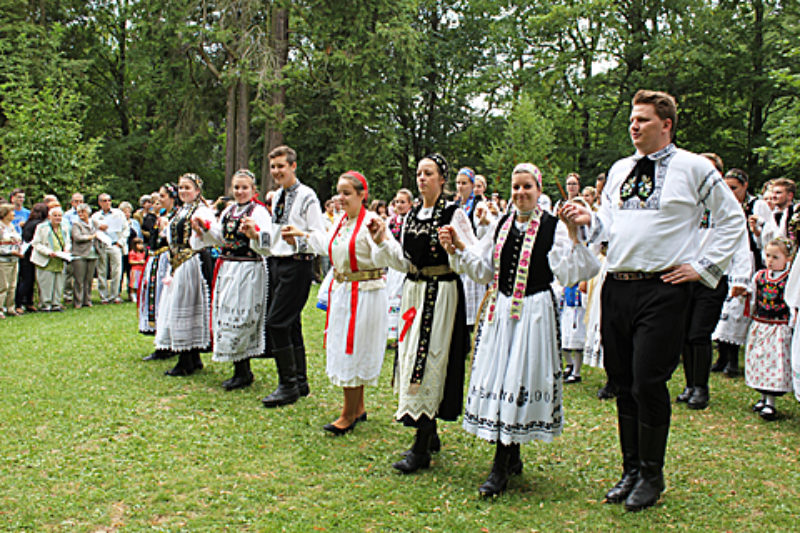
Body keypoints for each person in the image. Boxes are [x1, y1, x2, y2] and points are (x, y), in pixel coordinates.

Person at [563, 90, 744, 511]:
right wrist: (590, 219)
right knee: (623, 380)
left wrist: (703, 267)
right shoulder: (621, 169)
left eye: (643, 119)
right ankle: (630, 469)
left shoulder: (693, 167)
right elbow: (611, 221)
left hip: (663, 288)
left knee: (648, 380)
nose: (634, 125)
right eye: (632, 118)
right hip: (618, 284)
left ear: (666, 125)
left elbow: (731, 217)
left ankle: (652, 473)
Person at [441, 163, 599, 497]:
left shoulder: (553, 227)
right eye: (515, 187)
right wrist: (457, 247)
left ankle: (502, 463)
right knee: (499, 378)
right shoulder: (501, 224)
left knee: (518, 378)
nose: (520, 193)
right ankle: (509, 456)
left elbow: (571, 272)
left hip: (534, 313)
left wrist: (573, 234)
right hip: (501, 311)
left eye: (527, 186)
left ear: (539, 190)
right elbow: (484, 269)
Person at [369, 153, 471, 474]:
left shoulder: (454, 214)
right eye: (418, 173)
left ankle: (422, 443)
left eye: (428, 173)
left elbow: (469, 258)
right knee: (412, 357)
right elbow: (403, 259)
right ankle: (428, 431)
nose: (422, 179)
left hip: (440, 293)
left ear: (443, 179)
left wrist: (454, 246)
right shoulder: (412, 215)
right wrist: (383, 241)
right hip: (414, 292)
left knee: (430, 360)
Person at [284, 171, 392, 434]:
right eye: (338, 192)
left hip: (364, 293)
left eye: (346, 193)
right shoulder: (342, 221)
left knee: (352, 349)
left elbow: (387, 252)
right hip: (344, 291)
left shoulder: (371, 222)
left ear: (361, 195)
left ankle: (348, 414)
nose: (340, 198)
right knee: (346, 345)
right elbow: (327, 245)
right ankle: (359, 407)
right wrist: (302, 235)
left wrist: (381, 240)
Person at [246, 145, 326, 407]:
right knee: (290, 324)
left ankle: (287, 385)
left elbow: (320, 238)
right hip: (278, 263)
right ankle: (299, 382)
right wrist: (256, 235)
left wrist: (300, 238)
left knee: (276, 323)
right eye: (273, 167)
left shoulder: (307, 196)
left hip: (298, 264)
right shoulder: (277, 196)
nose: (277, 171)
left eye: (281, 166)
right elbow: (275, 235)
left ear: (293, 166)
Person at [194, 169, 272, 390]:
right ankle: (239, 367)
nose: (240, 191)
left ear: (253, 190)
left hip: (248, 269)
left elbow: (268, 241)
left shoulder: (259, 212)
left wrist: (254, 233)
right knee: (227, 313)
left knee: (243, 313)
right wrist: (205, 228)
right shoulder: (228, 210)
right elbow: (220, 237)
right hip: (228, 268)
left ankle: (244, 370)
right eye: (236, 187)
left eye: (244, 187)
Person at [711, 168, 774, 376]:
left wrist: (757, 230)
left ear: (745, 186)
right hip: (724, 262)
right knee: (722, 310)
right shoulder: (722, 205)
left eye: (734, 188)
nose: (730, 192)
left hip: (749, 260)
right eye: (726, 188)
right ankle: (721, 355)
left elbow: (770, 237)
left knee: (738, 309)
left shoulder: (758, 205)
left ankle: (733, 359)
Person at [155, 174, 215, 376]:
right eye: (181, 188)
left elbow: (208, 233)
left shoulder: (201, 210)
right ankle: (191, 356)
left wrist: (201, 229)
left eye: (187, 188)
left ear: (197, 191)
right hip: (180, 261)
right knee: (181, 305)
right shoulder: (183, 210)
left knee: (187, 305)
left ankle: (187, 358)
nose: (183, 192)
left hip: (192, 259)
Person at [744, 238, 793, 421]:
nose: (770, 260)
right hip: (761, 323)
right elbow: (754, 298)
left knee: (774, 361)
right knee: (760, 359)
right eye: (768, 256)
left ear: (787, 258)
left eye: (775, 257)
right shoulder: (760, 277)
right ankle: (763, 397)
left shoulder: (788, 280)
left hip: (778, 326)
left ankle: (771, 401)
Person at [139, 184, 180, 360]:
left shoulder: (175, 217)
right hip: (155, 258)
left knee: (163, 298)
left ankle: (168, 343)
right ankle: (161, 341)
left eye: (162, 197)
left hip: (166, 260)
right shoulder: (162, 215)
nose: (159, 200)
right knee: (154, 297)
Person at [30, 205, 71, 312]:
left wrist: (66, 249)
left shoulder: (64, 227)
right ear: (49, 216)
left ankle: (56, 303)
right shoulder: (42, 227)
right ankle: (45, 304)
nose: (58, 218)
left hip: (60, 259)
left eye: (59, 216)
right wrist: (48, 252)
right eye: (55, 216)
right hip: (46, 260)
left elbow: (67, 241)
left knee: (58, 282)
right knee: (46, 283)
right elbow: (36, 243)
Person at [386, 188, 414, 342]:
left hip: (407, 265)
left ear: (410, 204)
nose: (399, 205)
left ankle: (405, 331)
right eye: (397, 202)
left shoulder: (413, 220)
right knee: (392, 297)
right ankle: (393, 333)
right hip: (393, 266)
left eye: (403, 202)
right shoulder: (391, 221)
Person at [91, 194, 127, 304]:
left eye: (109, 200)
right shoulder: (95, 216)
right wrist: (98, 228)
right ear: (100, 203)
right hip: (102, 245)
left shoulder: (118, 214)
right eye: (104, 201)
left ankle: (115, 295)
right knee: (102, 271)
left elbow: (125, 229)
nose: (107, 203)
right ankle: (104, 296)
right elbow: (92, 231)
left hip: (115, 244)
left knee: (117, 271)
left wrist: (120, 243)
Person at [15, 202, 48, 313]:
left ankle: (28, 302)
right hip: (30, 253)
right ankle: (19, 303)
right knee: (27, 279)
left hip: (26, 253)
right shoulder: (39, 224)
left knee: (28, 279)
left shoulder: (29, 222)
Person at [70, 204, 99, 309]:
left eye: (83, 212)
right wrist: (91, 237)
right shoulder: (76, 224)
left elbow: (99, 233)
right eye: (79, 212)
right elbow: (77, 237)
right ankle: (78, 301)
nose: (81, 214)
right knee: (79, 279)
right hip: (80, 254)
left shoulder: (94, 223)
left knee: (89, 278)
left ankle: (87, 300)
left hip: (93, 253)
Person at [0, 203, 24, 318]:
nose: (13, 214)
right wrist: (9, 252)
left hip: (14, 259)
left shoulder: (12, 226)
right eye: (11, 212)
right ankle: (0, 308)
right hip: (3, 260)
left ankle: (10, 307)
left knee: (13, 285)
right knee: (3, 285)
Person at [128, 237, 146, 303]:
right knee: (134, 284)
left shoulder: (143, 252)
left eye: (141, 244)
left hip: (141, 270)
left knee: (140, 283)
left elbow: (149, 248)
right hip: (135, 270)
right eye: (139, 244)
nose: (141, 246)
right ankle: (133, 295)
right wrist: (139, 262)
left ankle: (139, 295)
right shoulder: (132, 252)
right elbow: (130, 261)